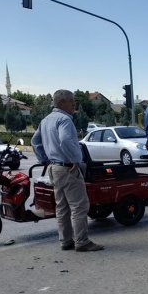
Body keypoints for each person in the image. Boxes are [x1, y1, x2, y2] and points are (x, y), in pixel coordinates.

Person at [31, 89, 104, 252]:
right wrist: (75, 160)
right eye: (71, 101)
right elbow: (65, 140)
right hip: (67, 168)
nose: (74, 104)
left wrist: (44, 159)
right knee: (79, 206)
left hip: (54, 168)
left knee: (62, 207)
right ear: (62, 103)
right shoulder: (64, 120)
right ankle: (82, 242)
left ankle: (66, 240)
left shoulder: (46, 120)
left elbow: (35, 141)